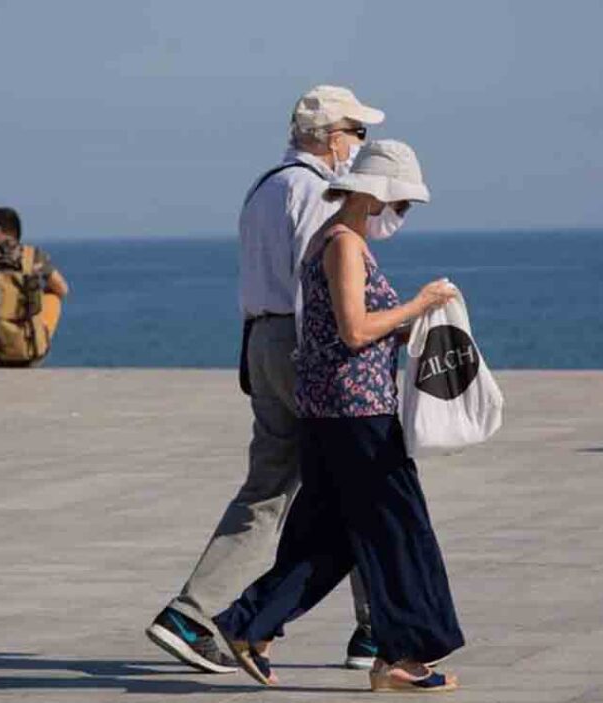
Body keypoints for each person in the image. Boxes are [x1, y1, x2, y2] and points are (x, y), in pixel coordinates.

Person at [145, 86, 389, 673]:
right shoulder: (315, 192)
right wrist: (332, 364)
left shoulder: (266, 187)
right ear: (332, 138)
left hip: (262, 340)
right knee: (359, 479)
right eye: (358, 134)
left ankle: (191, 612)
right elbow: (319, 284)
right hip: (302, 345)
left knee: (274, 488)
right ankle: (374, 631)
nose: (361, 145)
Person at [213, 140, 464, 693]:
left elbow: (344, 328)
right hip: (356, 412)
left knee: (329, 535)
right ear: (375, 195)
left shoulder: (331, 239)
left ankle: (247, 624)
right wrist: (419, 305)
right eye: (401, 203)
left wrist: (407, 325)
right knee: (399, 527)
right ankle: (402, 655)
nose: (401, 214)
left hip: (330, 407)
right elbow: (353, 330)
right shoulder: (345, 244)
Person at [0, 207, 69, 367]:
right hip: (30, 355)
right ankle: (36, 339)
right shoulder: (34, 256)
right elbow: (63, 289)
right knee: (53, 297)